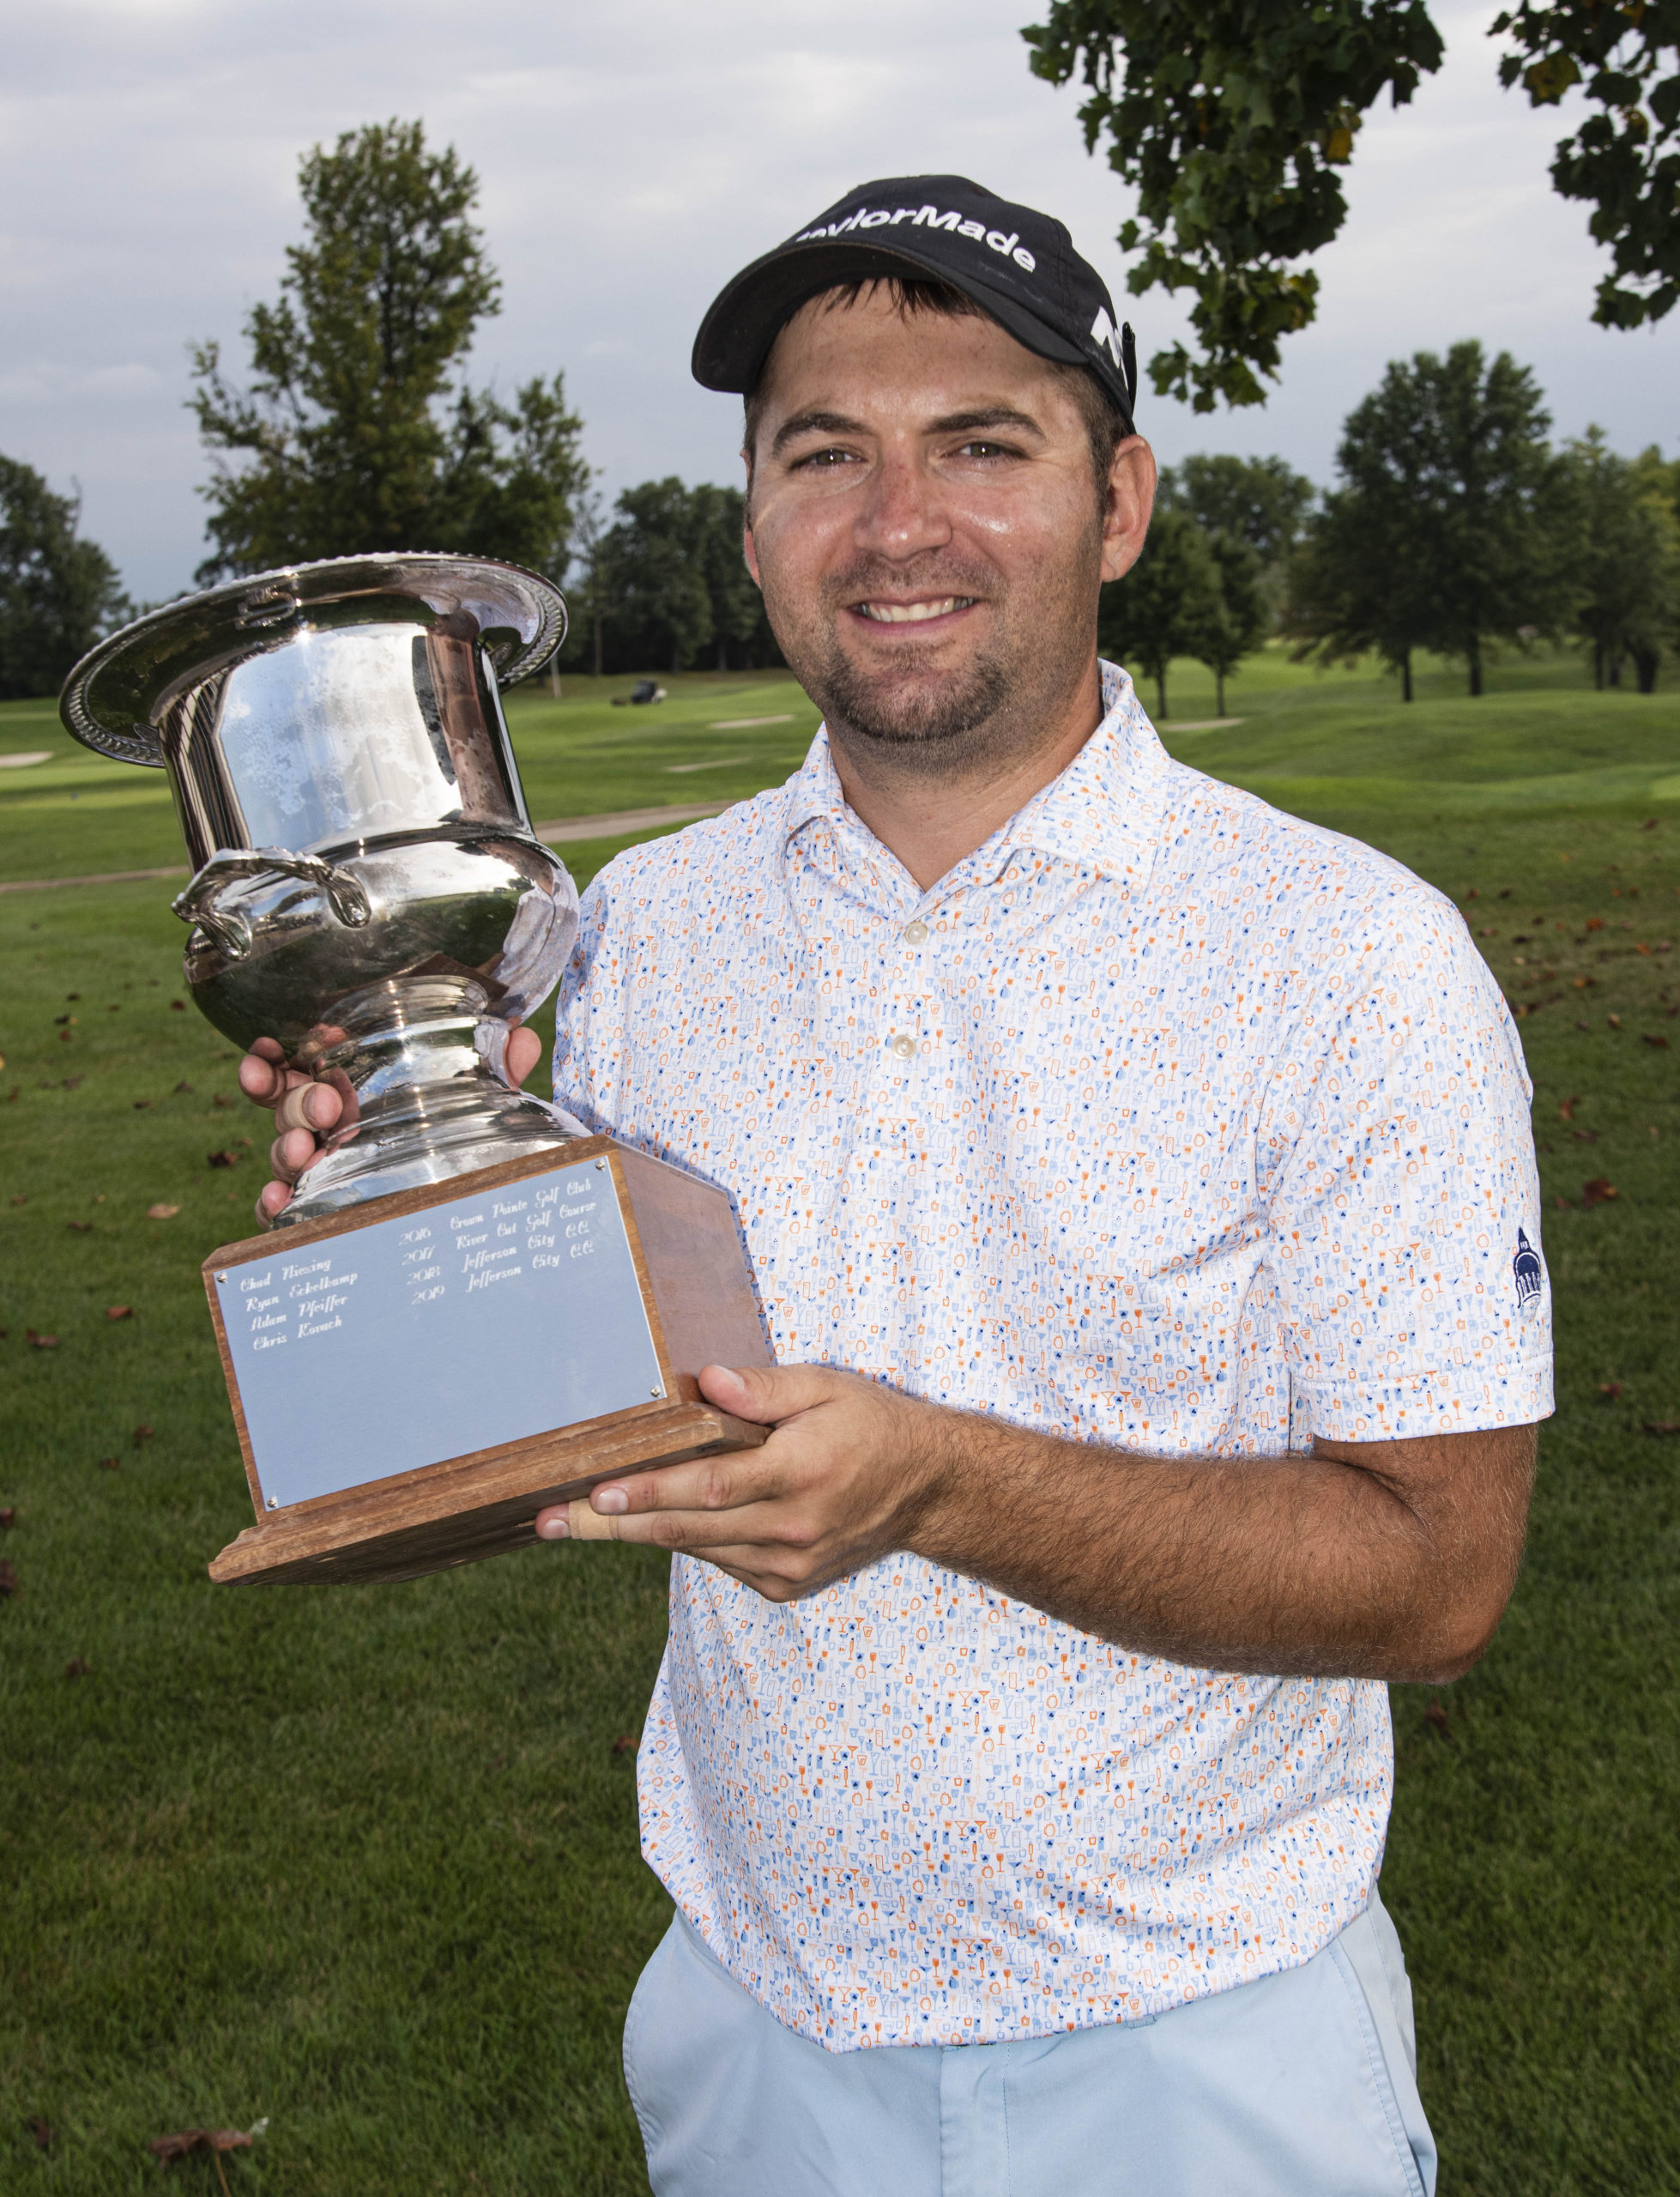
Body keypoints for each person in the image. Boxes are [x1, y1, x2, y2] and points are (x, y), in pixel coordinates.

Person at [244, 176, 1550, 2196]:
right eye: (824, 454)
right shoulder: (621, 943)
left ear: (1115, 502)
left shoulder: (1348, 954)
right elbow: (539, 1386)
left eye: (980, 446)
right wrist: (392, 1169)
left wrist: (936, 1478)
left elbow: (1438, 1578)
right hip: (759, 2040)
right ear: (754, 519)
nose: (897, 524)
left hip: (1202, 2053)